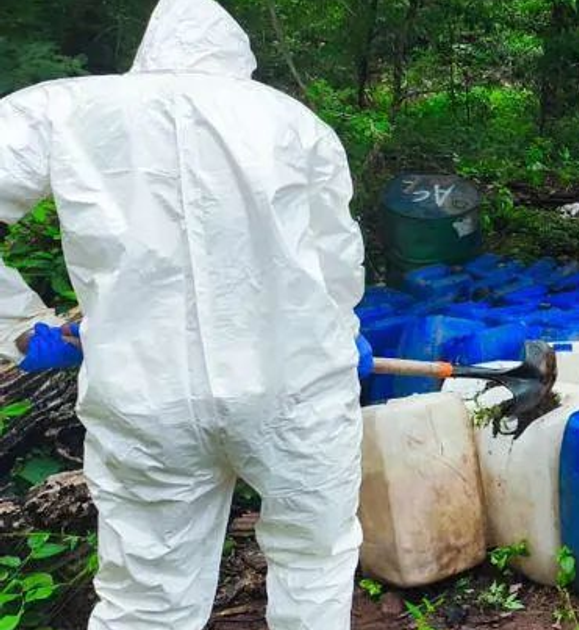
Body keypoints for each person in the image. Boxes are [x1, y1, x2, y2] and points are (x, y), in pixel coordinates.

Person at [0, 0, 373, 628]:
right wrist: (344, 336)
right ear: (238, 57)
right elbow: (336, 263)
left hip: (144, 396)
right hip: (293, 389)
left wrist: (16, 325)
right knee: (314, 563)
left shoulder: (63, 110)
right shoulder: (296, 124)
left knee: (147, 598)